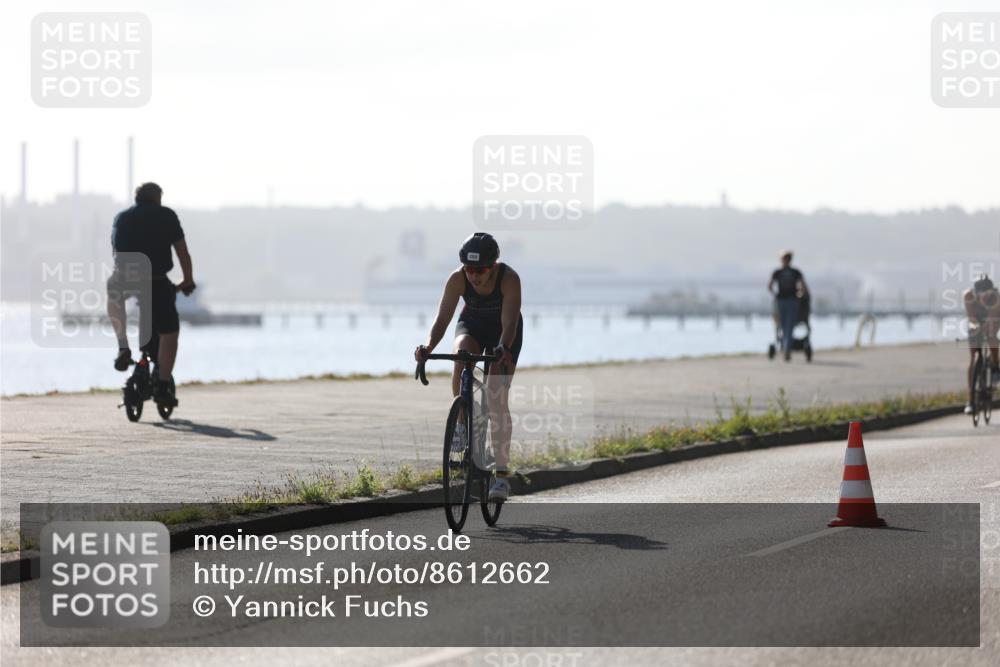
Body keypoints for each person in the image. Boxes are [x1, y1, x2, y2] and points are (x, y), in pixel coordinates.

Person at [414, 233, 523, 501]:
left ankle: (501, 475)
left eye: (480, 270)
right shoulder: (457, 279)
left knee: (497, 400)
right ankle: (462, 426)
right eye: (469, 269)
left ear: (493, 266)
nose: (473, 275)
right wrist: (428, 347)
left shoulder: (509, 279)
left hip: (504, 333)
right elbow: (442, 319)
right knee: (461, 357)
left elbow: (509, 324)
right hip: (472, 325)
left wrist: (503, 349)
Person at [107, 182, 196, 407]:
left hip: (124, 277)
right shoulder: (167, 215)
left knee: (114, 296)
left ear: (137, 199)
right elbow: (182, 252)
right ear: (157, 198)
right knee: (169, 333)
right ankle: (164, 384)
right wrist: (187, 280)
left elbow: (115, 252)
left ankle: (123, 346)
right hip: (155, 280)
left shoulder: (121, 218)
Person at [963, 274, 1000, 414]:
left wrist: (985, 329)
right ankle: (971, 400)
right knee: (973, 358)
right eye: (981, 294)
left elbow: (991, 319)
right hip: (977, 320)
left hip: (994, 319)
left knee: (991, 336)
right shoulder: (968, 296)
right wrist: (975, 326)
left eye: (988, 293)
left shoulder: (997, 298)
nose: (984, 296)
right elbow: (971, 318)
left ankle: (996, 365)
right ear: (975, 292)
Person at [768, 250, 808, 361]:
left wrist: (775, 295)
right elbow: (803, 287)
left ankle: (786, 348)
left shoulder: (778, 272)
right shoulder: (795, 272)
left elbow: (770, 286)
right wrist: (800, 294)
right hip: (791, 301)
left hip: (784, 301)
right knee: (788, 325)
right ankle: (786, 348)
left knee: (785, 325)